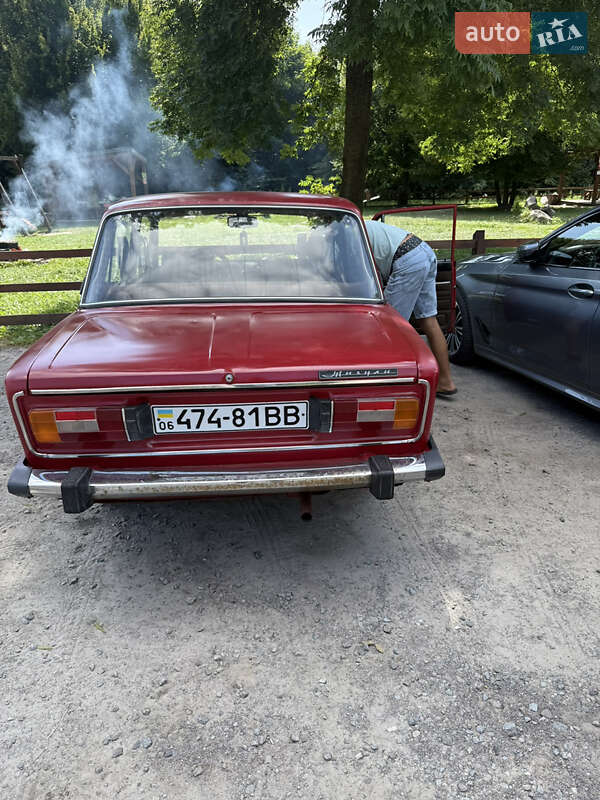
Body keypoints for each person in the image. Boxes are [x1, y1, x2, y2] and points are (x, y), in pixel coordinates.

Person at [364, 219, 457, 396]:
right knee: (428, 320)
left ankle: (390, 386)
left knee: (387, 326)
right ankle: (445, 381)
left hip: (406, 258)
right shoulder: (357, 223)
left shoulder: (350, 233)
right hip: (423, 250)